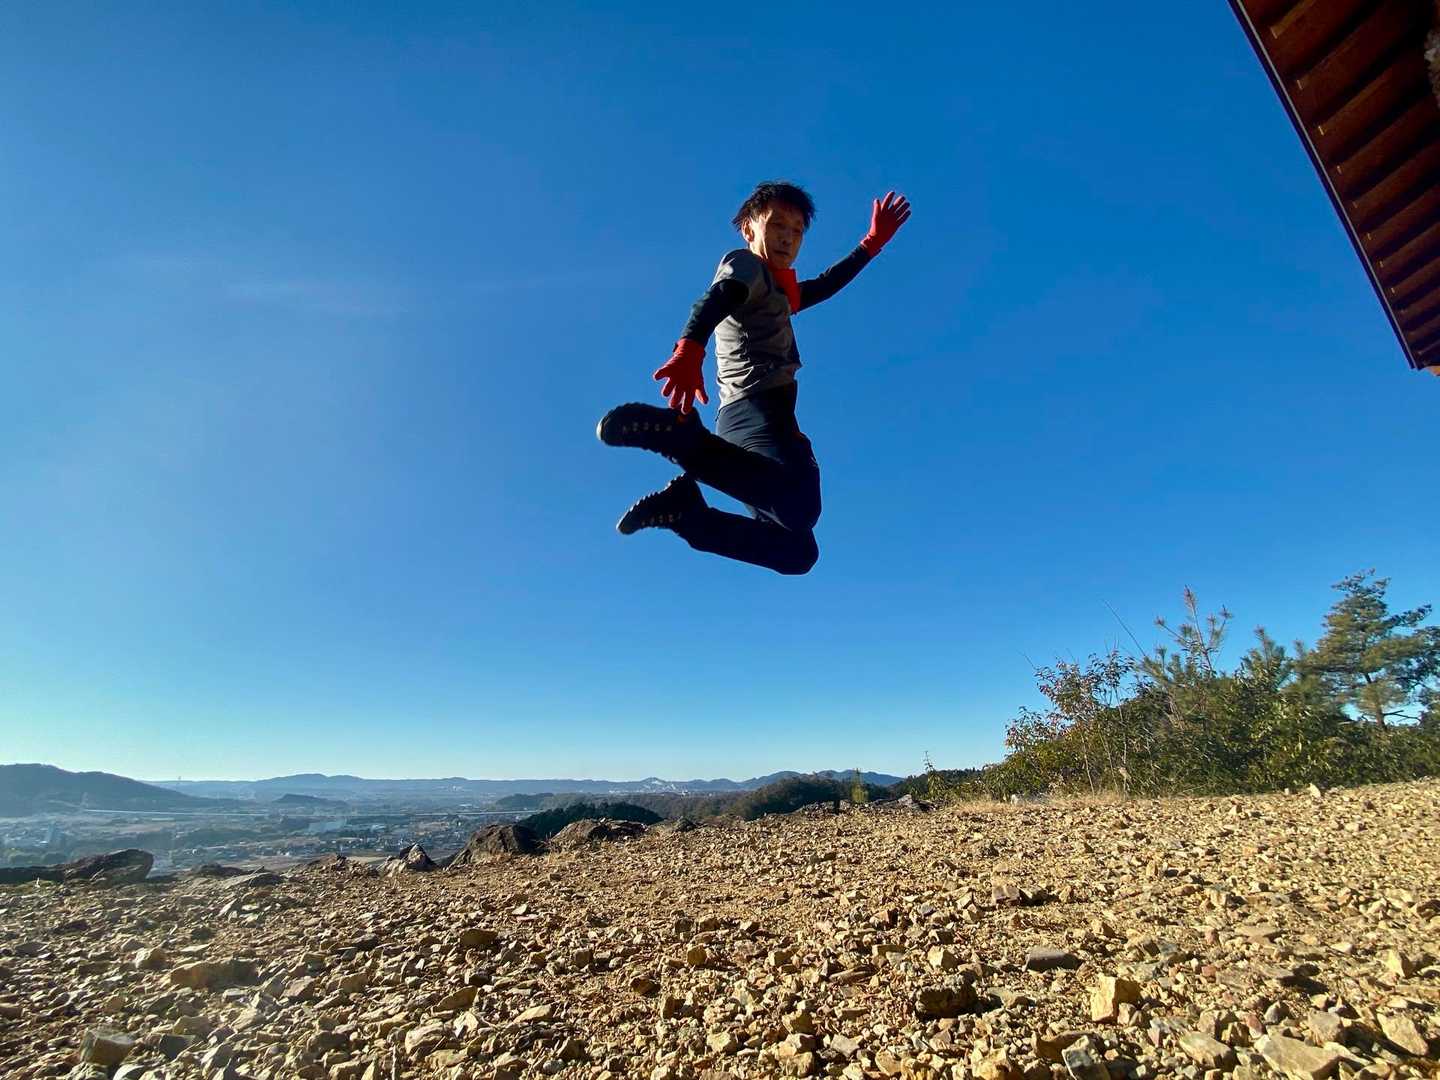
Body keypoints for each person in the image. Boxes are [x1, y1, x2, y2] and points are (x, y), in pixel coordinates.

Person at [596, 180, 911, 574]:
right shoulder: (748, 266)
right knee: (801, 506)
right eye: (777, 224)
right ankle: (678, 438)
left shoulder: (779, 288)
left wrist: (871, 244)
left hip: (748, 420)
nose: (787, 238)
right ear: (749, 229)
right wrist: (690, 348)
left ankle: (688, 515)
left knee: (797, 552)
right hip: (757, 408)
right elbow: (720, 296)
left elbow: (826, 284)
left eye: (797, 230)